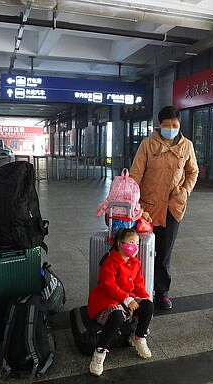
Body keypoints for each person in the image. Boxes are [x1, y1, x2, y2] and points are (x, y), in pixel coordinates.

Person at [130, 105, 199, 310]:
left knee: (164, 252)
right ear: (159, 125)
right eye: (167, 125)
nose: (171, 128)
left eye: (174, 125)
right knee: (141, 250)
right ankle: (140, 291)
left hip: (172, 208)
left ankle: (161, 293)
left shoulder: (186, 146)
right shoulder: (147, 144)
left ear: (179, 125)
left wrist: (185, 191)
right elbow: (136, 174)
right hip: (147, 208)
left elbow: (192, 172)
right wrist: (132, 201)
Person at [87, 228, 154, 376]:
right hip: (107, 300)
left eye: (137, 243)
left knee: (148, 306)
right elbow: (107, 285)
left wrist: (145, 302)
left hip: (127, 299)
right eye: (131, 242)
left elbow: (139, 286)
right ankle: (100, 352)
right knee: (116, 316)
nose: (135, 246)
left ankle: (138, 337)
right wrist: (126, 298)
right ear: (119, 244)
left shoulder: (135, 263)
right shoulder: (110, 261)